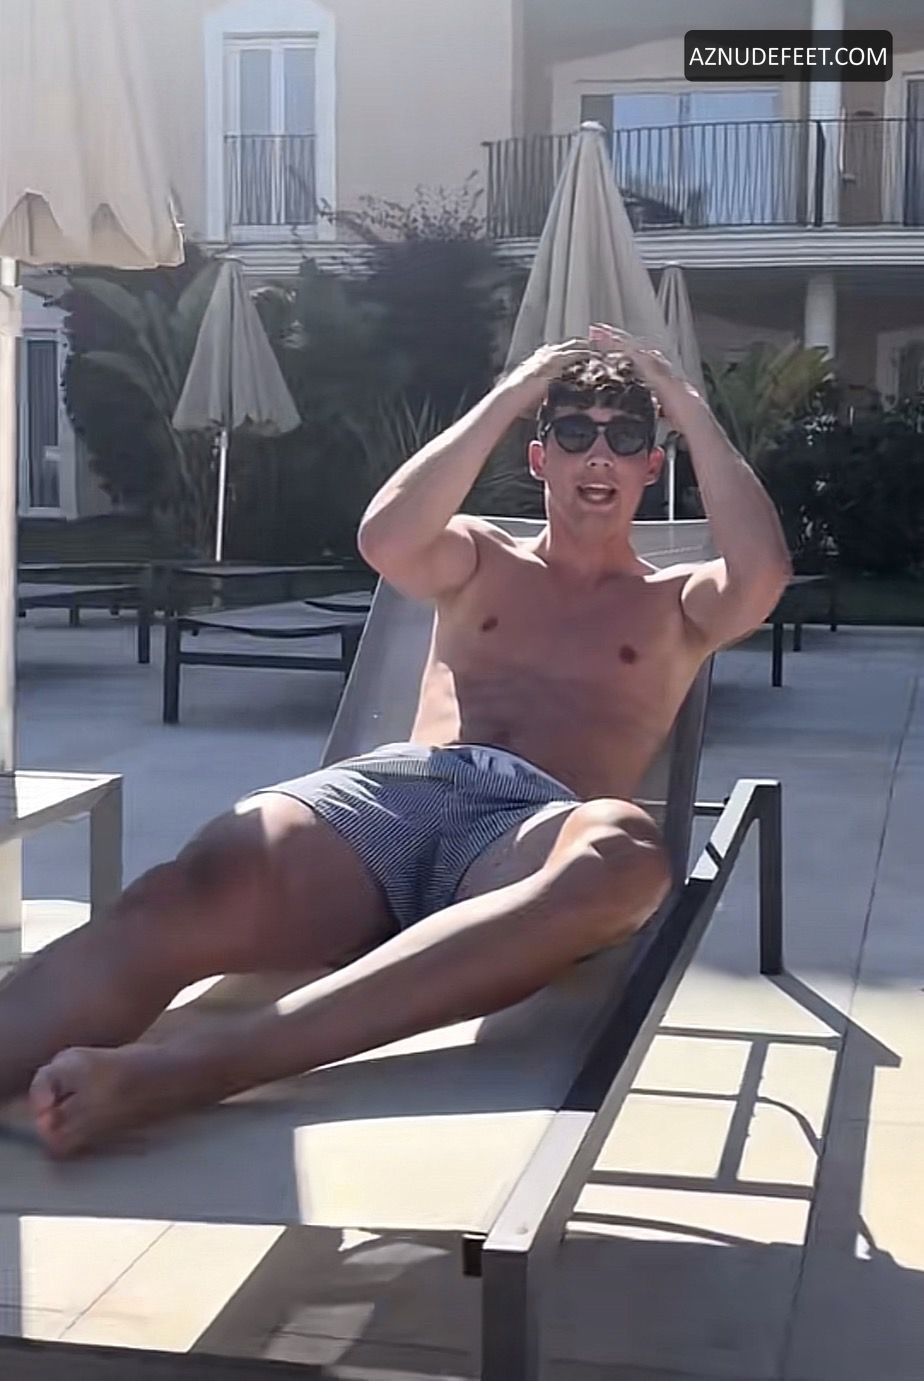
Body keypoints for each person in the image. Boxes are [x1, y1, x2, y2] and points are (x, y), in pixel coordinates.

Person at [0, 325, 791, 1156]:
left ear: (651, 466)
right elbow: (384, 537)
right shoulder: (477, 555)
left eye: (625, 438)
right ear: (539, 458)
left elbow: (764, 571)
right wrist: (511, 392)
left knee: (627, 856)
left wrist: (687, 404)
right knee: (192, 888)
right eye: (573, 433)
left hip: (527, 834)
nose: (599, 455)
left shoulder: (678, 604)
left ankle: (203, 1065)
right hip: (397, 790)